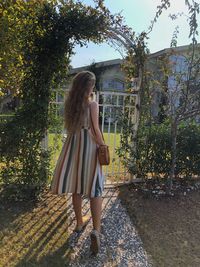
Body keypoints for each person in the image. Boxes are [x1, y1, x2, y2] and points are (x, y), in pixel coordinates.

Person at [50, 71, 106, 255]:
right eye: (93, 84)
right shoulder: (92, 104)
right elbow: (96, 130)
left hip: (73, 146)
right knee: (94, 188)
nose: (93, 87)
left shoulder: (71, 104)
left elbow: (70, 127)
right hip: (89, 147)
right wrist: (103, 145)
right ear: (89, 86)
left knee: (76, 186)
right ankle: (96, 231)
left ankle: (80, 224)